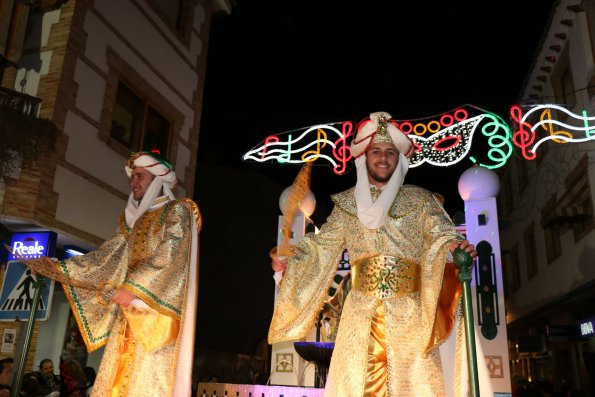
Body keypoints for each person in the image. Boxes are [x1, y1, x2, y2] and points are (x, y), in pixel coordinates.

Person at [268, 111, 476, 396]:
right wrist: (290, 260)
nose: (382, 157)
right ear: (364, 157)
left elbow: (444, 235)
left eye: (390, 151)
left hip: (411, 315)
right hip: (360, 314)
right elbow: (322, 246)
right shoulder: (346, 205)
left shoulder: (421, 200)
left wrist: (454, 248)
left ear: (399, 158)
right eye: (375, 150)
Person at [20, 151, 201, 396]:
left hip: (155, 320)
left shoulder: (177, 211)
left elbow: (171, 254)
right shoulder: (133, 224)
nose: (133, 183)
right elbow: (104, 258)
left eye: (140, 176)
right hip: (127, 319)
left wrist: (133, 289)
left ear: (157, 179)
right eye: (132, 178)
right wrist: (59, 267)